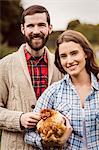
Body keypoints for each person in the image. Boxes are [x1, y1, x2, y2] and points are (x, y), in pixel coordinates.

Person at [0, 5, 63, 150]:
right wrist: (19, 119)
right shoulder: (4, 65)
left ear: (50, 28)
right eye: (30, 26)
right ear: (23, 29)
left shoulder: (61, 65)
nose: (36, 31)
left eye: (41, 25)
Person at [25, 30, 99, 150]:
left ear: (86, 53)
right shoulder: (53, 92)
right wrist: (55, 142)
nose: (69, 61)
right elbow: (29, 134)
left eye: (74, 53)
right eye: (63, 56)